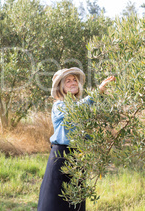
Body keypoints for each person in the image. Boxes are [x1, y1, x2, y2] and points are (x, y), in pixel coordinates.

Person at [38, 67, 115, 211]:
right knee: (55, 201)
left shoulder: (78, 105)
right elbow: (77, 110)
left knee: (75, 202)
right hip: (61, 157)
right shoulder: (59, 106)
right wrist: (98, 92)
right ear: (61, 87)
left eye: (75, 80)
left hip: (77, 157)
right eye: (68, 81)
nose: (73, 82)